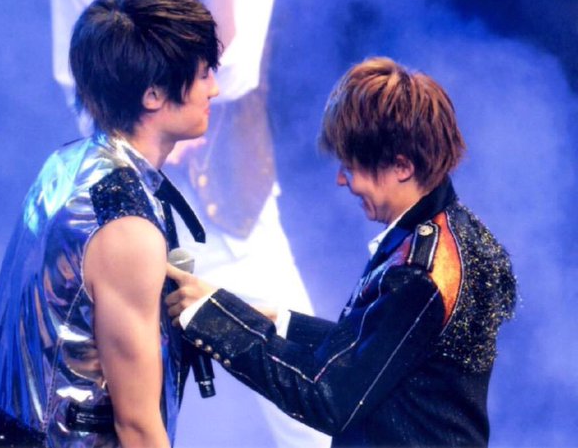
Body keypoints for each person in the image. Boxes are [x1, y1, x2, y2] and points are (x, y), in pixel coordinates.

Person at [166, 57, 517, 447]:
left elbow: (328, 398)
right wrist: (273, 320)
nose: (341, 180)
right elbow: (379, 349)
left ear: (401, 166)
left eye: (350, 166)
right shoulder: (456, 233)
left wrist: (214, 321)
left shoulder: (421, 273)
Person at [50, 0, 331, 447]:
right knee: (125, 395)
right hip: (132, 206)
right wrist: (140, 138)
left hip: (237, 209)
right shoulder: (116, 222)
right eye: (199, 77)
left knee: (308, 404)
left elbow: (235, 76)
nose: (210, 87)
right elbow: (75, 74)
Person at [0, 0, 220, 447]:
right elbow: (137, 425)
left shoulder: (66, 163)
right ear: (153, 94)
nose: (214, 88)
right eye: (204, 74)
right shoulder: (127, 228)